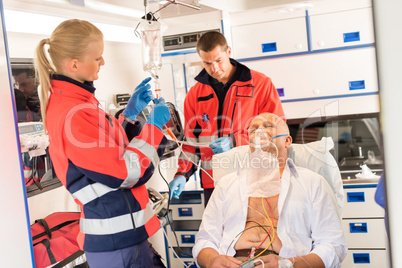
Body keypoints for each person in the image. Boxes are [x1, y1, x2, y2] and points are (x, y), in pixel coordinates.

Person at [34, 19, 171, 268]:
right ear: (74, 64)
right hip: (116, 245)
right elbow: (125, 173)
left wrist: (127, 118)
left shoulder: (78, 103)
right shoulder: (72, 112)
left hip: (124, 240)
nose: (103, 62)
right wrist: (153, 129)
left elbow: (103, 153)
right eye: (98, 58)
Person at [192, 113, 347, 268]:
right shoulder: (226, 184)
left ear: (287, 140)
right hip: (234, 262)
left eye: (268, 126)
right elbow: (205, 240)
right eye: (253, 129)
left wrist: (290, 264)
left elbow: (333, 246)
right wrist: (212, 260)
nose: (259, 131)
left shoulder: (312, 183)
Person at [169, 31, 285, 205]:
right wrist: (181, 174)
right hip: (215, 183)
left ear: (228, 51)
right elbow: (191, 144)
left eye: (218, 61)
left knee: (255, 231)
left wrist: (235, 141)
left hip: (255, 180)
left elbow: (276, 132)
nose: (214, 69)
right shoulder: (194, 95)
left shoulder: (260, 85)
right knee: (218, 233)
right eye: (207, 63)